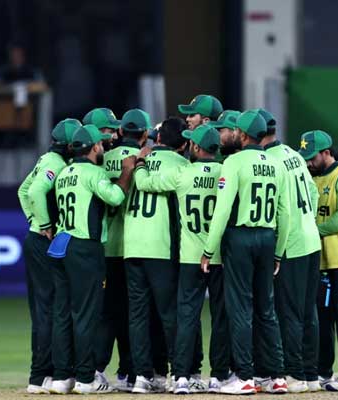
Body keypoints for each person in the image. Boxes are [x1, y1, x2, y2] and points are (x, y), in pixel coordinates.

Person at [133, 124, 230, 394]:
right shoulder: (226, 173)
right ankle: (219, 377)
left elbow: (142, 183)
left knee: (187, 317)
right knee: (221, 317)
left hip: (190, 257)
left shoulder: (182, 173)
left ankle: (181, 377)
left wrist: (141, 161)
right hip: (220, 255)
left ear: (197, 148)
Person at [201, 110, 290, 395]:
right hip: (267, 237)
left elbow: (223, 209)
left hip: (240, 237)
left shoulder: (234, 161)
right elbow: (284, 212)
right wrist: (278, 251)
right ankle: (277, 376)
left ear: (242, 134)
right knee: (267, 308)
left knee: (240, 308)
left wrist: (208, 248)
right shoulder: (275, 164)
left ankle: (245, 376)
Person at [50, 124, 133, 394]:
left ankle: (63, 377)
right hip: (85, 246)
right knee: (86, 315)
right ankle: (86, 378)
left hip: (61, 244)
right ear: (96, 147)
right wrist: (126, 173)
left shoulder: (64, 173)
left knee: (64, 314)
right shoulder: (93, 172)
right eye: (101, 144)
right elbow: (116, 197)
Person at [123, 113, 189, 393]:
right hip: (161, 247)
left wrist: (139, 162)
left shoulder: (142, 158)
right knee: (169, 314)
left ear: (158, 138)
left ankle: (141, 376)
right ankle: (177, 374)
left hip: (131, 244)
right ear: (184, 144)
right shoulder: (182, 164)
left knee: (137, 315)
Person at [259, 109, 322, 393]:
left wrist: (277, 249)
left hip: (292, 246)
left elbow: (279, 210)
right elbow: (313, 191)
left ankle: (295, 374)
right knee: (309, 311)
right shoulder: (292, 154)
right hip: (311, 240)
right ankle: (311, 373)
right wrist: (305, 219)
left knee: (290, 313)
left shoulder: (268, 161)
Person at [17, 118, 80, 394]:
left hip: (35, 239)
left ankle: (41, 374)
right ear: (67, 145)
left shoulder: (45, 159)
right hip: (44, 242)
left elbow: (22, 191)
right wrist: (44, 225)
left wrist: (32, 219)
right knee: (50, 310)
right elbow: (34, 190)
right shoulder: (55, 164)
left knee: (44, 310)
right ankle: (43, 375)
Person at [299, 130, 338, 392]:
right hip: (321, 261)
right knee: (322, 320)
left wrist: (313, 230)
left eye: (311, 156)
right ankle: (323, 372)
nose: (308, 161)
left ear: (326, 152)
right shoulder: (310, 179)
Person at [93, 107, 146, 392]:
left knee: (108, 313)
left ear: (122, 132)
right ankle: (130, 372)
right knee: (134, 313)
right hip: (138, 248)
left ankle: (98, 369)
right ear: (145, 134)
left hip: (106, 246)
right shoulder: (146, 159)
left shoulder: (101, 160)